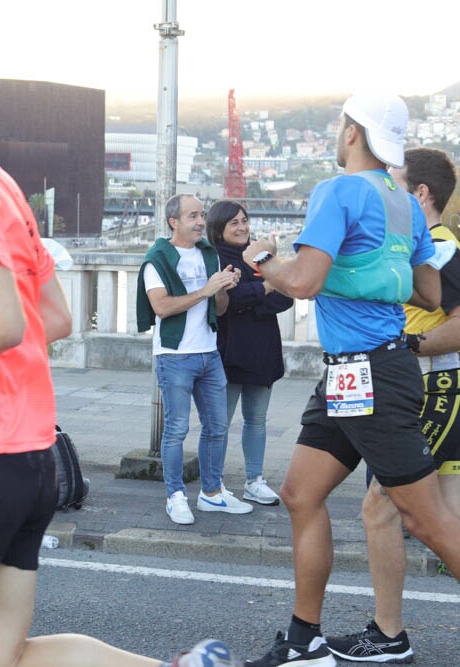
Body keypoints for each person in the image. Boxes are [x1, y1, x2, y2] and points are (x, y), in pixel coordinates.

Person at [0, 23, 234, 667]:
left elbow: (0, 320)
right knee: (2, 658)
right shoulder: (1, 187)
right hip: (26, 454)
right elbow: (51, 317)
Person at [243, 93, 460, 667]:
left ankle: (319, 638)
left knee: (427, 518)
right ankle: (304, 640)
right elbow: (431, 294)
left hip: (370, 374)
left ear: (351, 134)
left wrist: (265, 263)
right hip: (354, 372)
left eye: (342, 125)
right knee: (300, 494)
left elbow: (307, 281)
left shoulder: (337, 191)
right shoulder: (404, 204)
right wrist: (371, 270)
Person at [324, 147, 460, 663]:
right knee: (441, 516)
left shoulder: (441, 249)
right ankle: (387, 633)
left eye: (396, 183)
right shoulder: (421, 244)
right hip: (421, 387)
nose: (386, 191)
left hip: (432, 386)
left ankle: (388, 634)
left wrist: (410, 347)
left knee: (384, 508)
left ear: (420, 194)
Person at [137, 193, 253, 524]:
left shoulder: (208, 255)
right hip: (174, 356)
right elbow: (161, 307)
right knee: (176, 429)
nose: (201, 221)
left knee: (218, 427)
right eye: (193, 216)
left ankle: (212, 493)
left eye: (202, 214)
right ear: (174, 222)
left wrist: (221, 289)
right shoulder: (157, 259)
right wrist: (205, 289)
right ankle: (175, 496)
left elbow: (219, 309)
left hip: (208, 352)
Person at [206, 200, 294, 506]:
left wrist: (254, 296)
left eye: (244, 220)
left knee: (257, 420)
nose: (242, 227)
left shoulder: (260, 256)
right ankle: (213, 486)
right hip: (228, 351)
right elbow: (229, 301)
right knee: (220, 423)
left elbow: (286, 296)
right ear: (218, 228)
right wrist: (264, 290)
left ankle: (254, 480)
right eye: (234, 223)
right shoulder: (214, 258)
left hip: (263, 348)